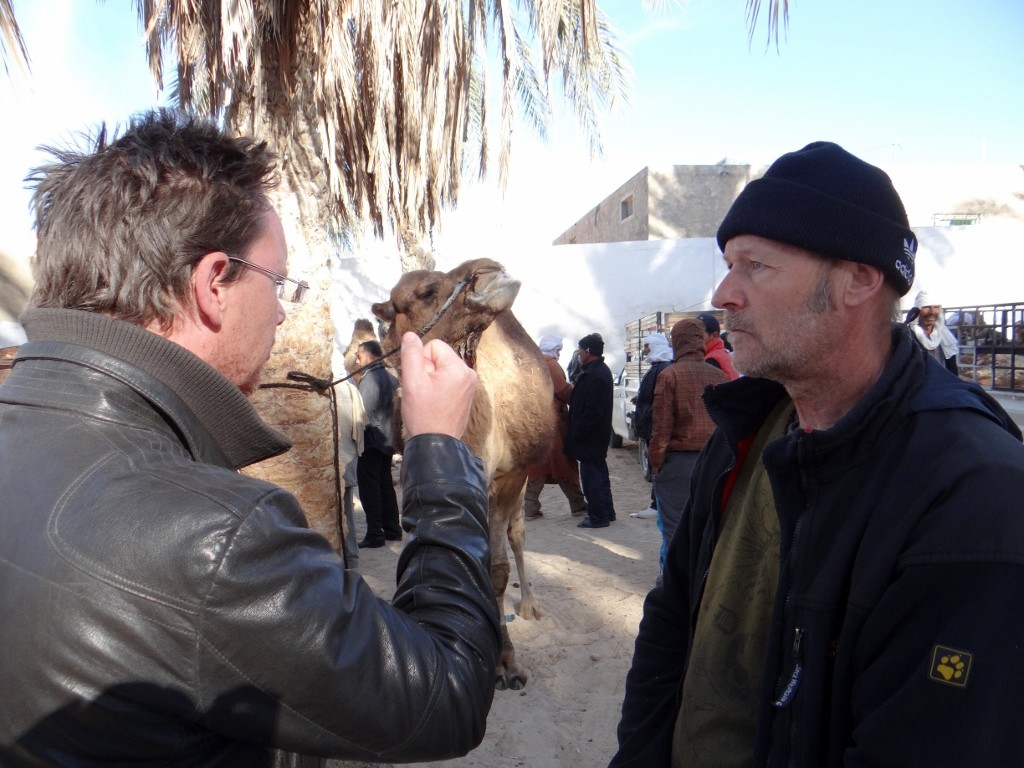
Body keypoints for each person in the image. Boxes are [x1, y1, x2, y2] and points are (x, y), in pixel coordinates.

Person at [0, 109, 500, 766]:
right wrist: (439, 449)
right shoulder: (211, 536)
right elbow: (447, 695)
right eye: (278, 282)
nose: (282, 311)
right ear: (214, 284)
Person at [611, 141, 1024, 767]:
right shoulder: (746, 431)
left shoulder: (972, 491)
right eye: (729, 264)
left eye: (755, 265)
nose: (723, 293)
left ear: (859, 278)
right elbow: (672, 618)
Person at [648, 318, 729, 568]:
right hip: (715, 461)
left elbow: (661, 428)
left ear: (676, 342)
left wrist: (656, 463)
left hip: (679, 464)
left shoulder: (670, 375)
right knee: (708, 526)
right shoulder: (720, 376)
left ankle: (674, 582)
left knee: (675, 529)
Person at [523, 334, 588, 519]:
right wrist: (576, 392)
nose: (559, 353)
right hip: (554, 420)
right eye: (558, 349)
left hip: (536, 418)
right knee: (563, 462)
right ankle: (577, 503)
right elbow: (562, 390)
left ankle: (530, 506)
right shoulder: (550, 364)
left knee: (537, 465)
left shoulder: (532, 363)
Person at [565, 332, 617, 528]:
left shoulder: (596, 375)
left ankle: (598, 516)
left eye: (580, 350)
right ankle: (606, 512)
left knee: (591, 477)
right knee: (599, 474)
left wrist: (579, 431)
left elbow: (593, 411)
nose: (578, 353)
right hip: (593, 436)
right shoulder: (595, 371)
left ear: (588, 351)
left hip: (591, 437)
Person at [355, 339, 403, 548]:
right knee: (385, 486)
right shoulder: (392, 379)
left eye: (359, 356)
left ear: (371, 356)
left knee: (369, 489)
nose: (357, 361)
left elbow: (362, 414)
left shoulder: (369, 380)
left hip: (371, 442)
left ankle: (375, 533)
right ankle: (392, 529)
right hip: (387, 441)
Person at [630, 331, 672, 519]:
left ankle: (658, 505)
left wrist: (647, 412)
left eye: (647, 346)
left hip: (655, 426)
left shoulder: (663, 369)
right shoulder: (657, 367)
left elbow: (662, 400)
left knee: (660, 466)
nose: (645, 350)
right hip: (650, 426)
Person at [911, 289, 960, 375]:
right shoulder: (908, 336)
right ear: (917, 310)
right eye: (926, 307)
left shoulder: (946, 337)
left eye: (936, 307)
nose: (932, 312)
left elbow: (952, 371)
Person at [696, 311, 740, 380]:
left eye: (699, 334)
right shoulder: (722, 354)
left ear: (714, 335)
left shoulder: (711, 360)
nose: (695, 338)